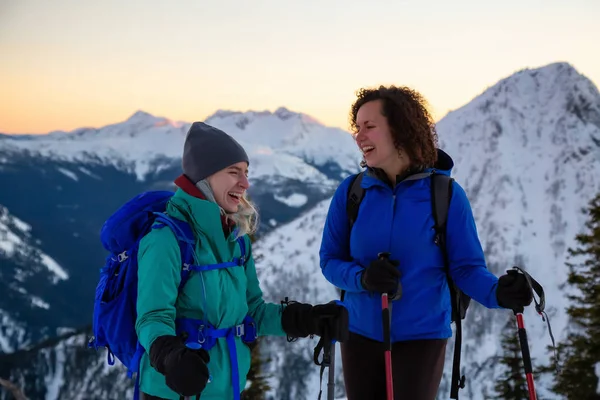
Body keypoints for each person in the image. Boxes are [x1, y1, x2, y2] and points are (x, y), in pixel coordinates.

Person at [318, 85, 533, 400]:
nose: (358, 136)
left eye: (370, 126)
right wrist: (362, 278)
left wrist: (498, 292)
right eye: (357, 127)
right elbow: (330, 261)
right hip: (359, 333)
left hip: (422, 338)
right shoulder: (352, 192)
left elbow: (466, 268)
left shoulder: (444, 195)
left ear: (400, 130)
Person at [135, 122, 349, 400]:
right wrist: (170, 356)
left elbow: (253, 313)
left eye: (246, 173)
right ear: (204, 177)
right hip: (174, 390)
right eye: (233, 172)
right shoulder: (166, 240)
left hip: (227, 387)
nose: (245, 183)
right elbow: (152, 317)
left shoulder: (236, 240)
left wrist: (307, 319)